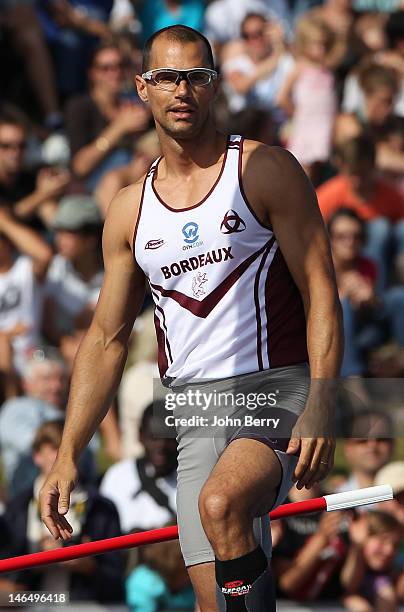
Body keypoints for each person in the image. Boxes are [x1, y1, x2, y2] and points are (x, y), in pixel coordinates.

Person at [39, 25, 342, 612]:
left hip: (274, 389)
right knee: (220, 602)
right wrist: (69, 451)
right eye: (167, 78)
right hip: (194, 411)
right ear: (142, 89)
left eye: (196, 77)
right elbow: (106, 338)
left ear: (214, 85)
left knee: (221, 504)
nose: (182, 90)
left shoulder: (266, 169)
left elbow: (322, 292)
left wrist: (325, 400)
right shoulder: (129, 208)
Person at [1, 420, 125, 602]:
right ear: (37, 456)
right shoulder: (17, 508)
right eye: (53, 448)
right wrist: (34, 562)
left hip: (86, 605)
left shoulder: (102, 508)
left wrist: (88, 565)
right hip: (30, 604)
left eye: (69, 450)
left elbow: (115, 583)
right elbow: (6, 582)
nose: (61, 457)